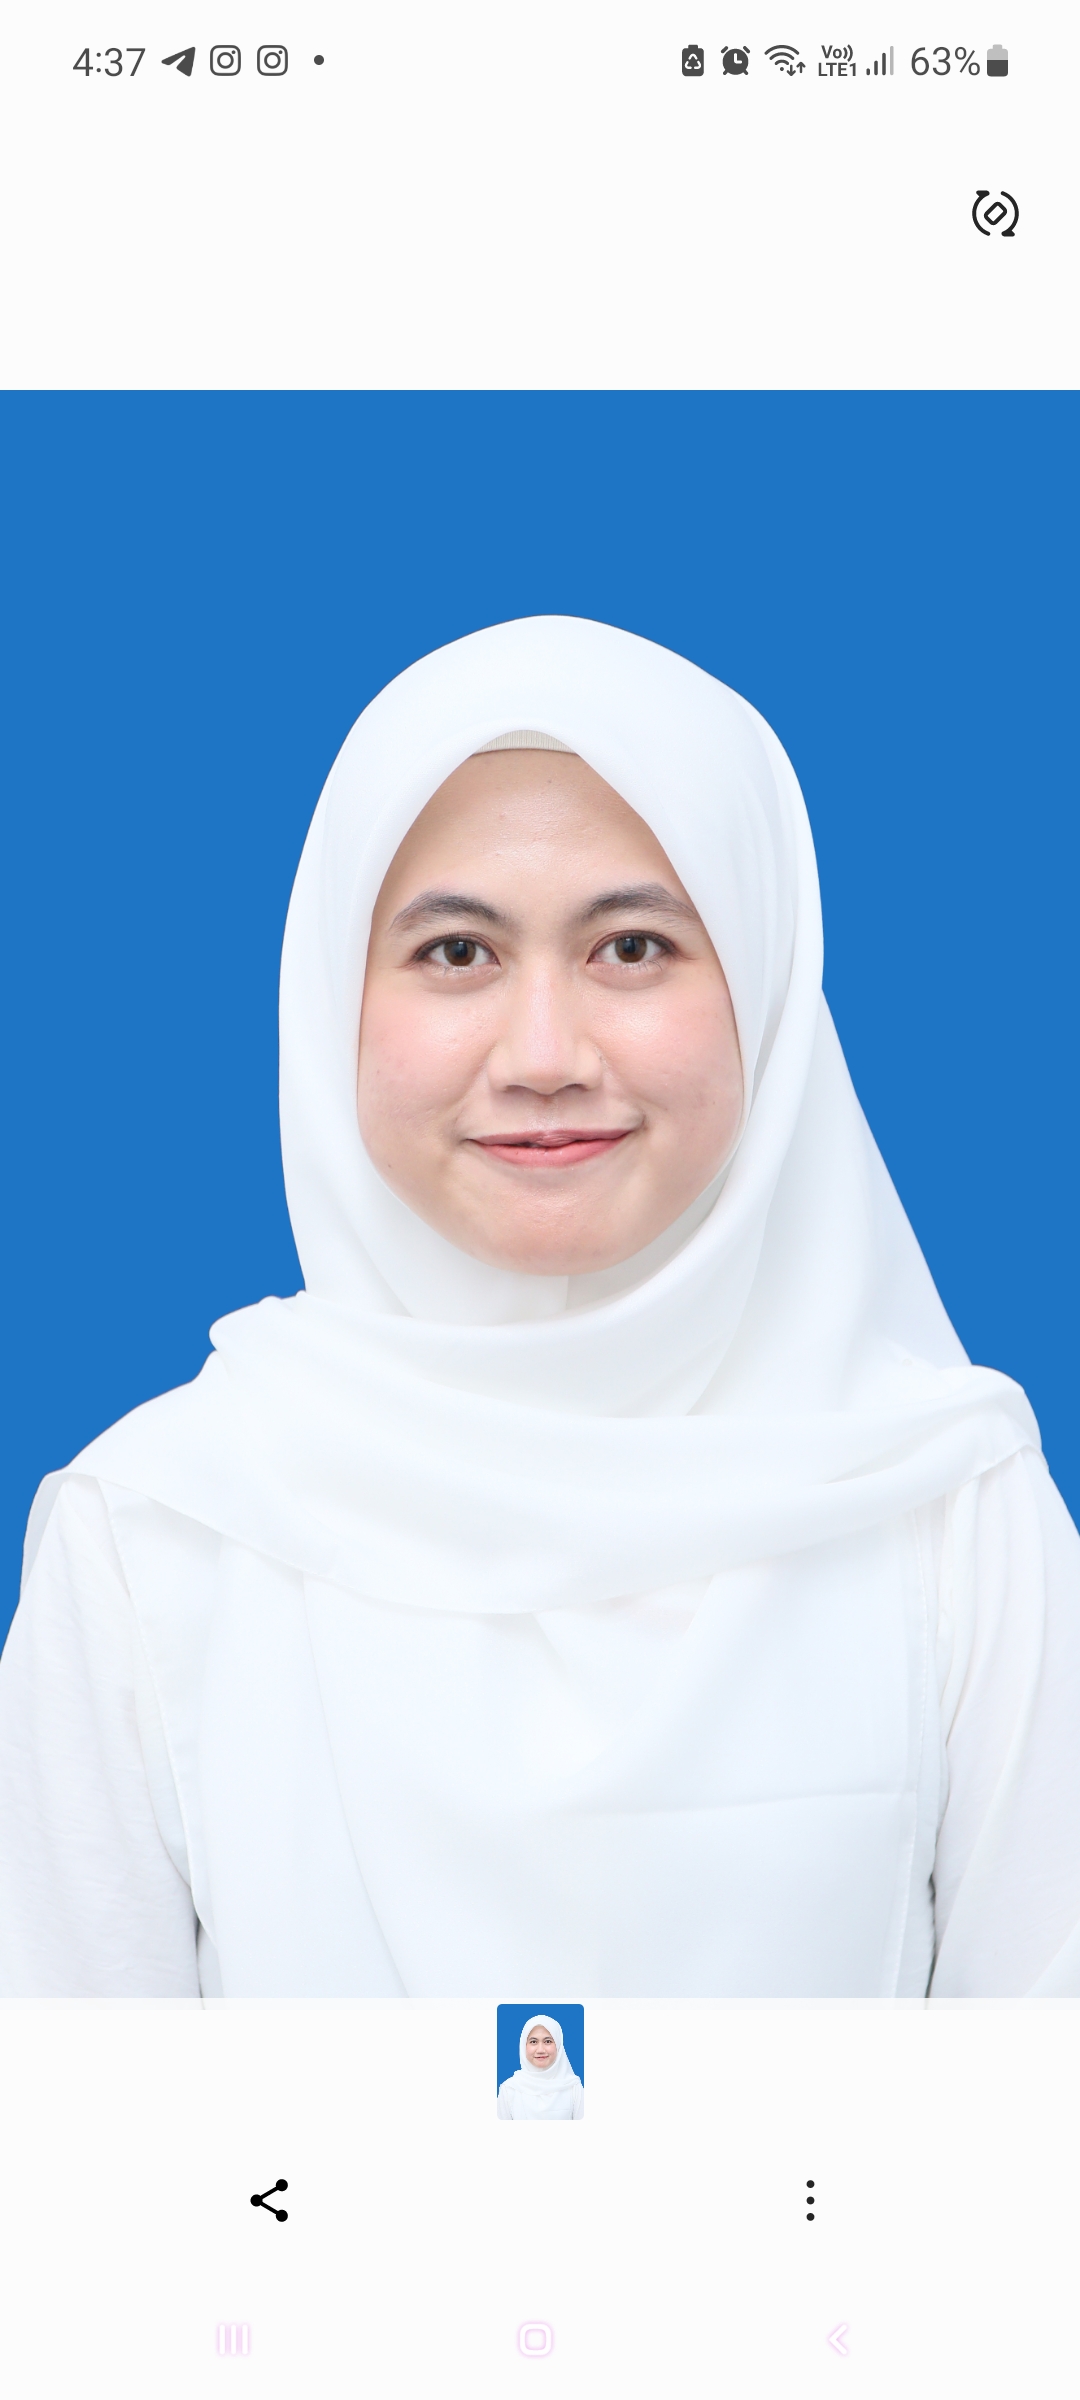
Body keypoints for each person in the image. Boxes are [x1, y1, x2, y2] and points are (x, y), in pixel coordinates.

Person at [1, 614, 1078, 2000]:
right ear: (334, 999)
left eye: (633, 946)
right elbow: (75, 2117)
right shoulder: (160, 1530)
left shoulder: (949, 1509)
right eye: (458, 953)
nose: (546, 1055)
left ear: (765, 987)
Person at [497, 2016, 584, 2120]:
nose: (540, 2050)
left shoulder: (573, 2087)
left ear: (558, 2046)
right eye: (533, 2042)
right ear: (524, 2046)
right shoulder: (509, 2089)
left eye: (548, 2041)